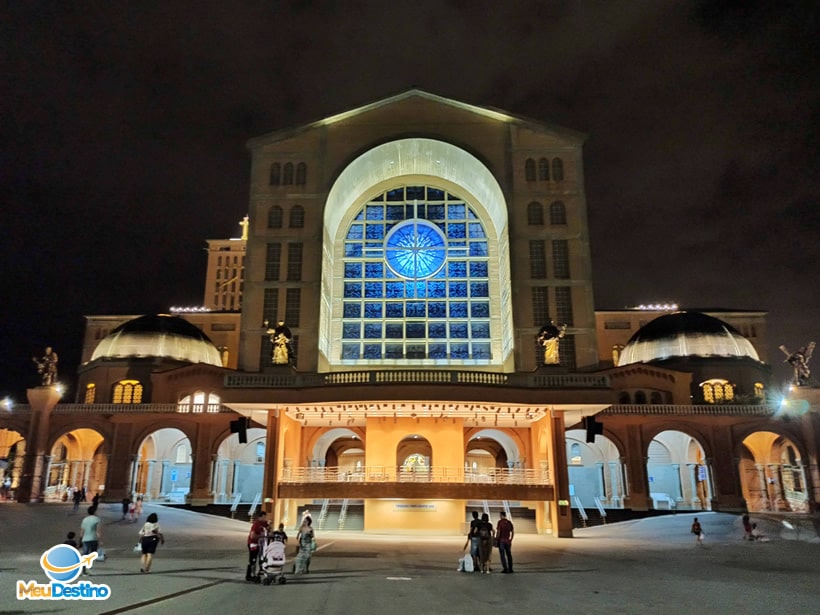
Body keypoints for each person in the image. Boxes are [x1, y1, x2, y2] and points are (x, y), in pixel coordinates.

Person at [246, 511, 269, 581]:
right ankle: (250, 575)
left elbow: (268, 528)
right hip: (253, 543)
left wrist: (269, 527)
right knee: (253, 559)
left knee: (260, 558)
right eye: (264, 517)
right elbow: (252, 536)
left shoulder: (263, 523)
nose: (265, 518)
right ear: (261, 517)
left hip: (260, 544)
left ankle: (258, 571)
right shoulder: (256, 524)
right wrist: (261, 536)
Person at [79, 506, 101, 575]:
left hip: (85, 539)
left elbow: (82, 530)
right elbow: (98, 531)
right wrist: (100, 539)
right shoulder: (97, 519)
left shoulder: (85, 519)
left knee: (85, 554)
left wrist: (80, 538)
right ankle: (88, 565)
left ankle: (84, 570)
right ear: (94, 512)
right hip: (93, 538)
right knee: (93, 553)